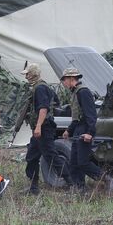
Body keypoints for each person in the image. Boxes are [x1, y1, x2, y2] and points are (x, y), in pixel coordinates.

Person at [60, 67, 113, 194]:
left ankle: (108, 180)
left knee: (83, 162)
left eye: (64, 80)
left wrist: (90, 133)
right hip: (78, 130)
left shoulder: (83, 92)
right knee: (74, 162)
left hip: (85, 130)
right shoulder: (75, 93)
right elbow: (77, 117)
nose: (63, 83)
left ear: (71, 79)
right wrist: (69, 131)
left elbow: (91, 115)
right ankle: (79, 188)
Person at [21, 63, 73, 195]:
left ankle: (72, 184)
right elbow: (56, 101)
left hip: (43, 128)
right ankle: (33, 187)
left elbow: (43, 108)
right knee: (32, 157)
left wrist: (38, 126)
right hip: (40, 129)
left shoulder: (40, 88)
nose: (26, 76)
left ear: (33, 74)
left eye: (27, 74)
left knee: (51, 156)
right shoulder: (43, 86)